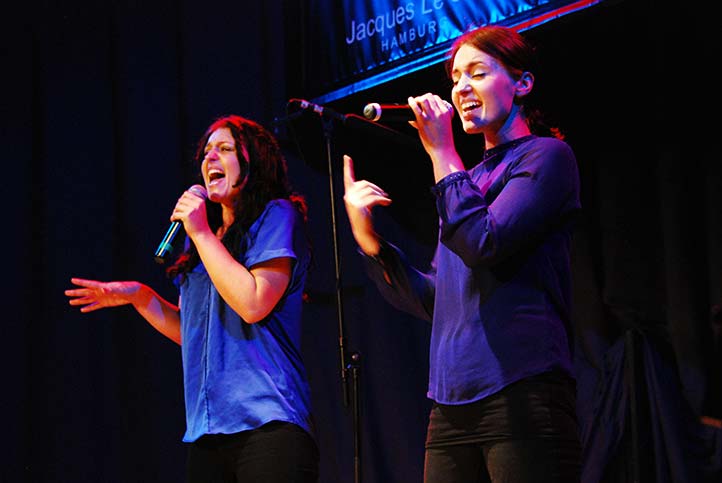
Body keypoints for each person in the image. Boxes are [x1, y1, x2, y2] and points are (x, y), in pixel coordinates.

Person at [342, 25, 582, 482]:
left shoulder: (547, 157)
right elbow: (438, 298)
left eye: (478, 73)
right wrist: (368, 237)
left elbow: (484, 242)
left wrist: (442, 153)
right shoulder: (465, 183)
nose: (462, 88)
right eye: (456, 78)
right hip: (450, 405)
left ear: (522, 83)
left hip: (521, 389)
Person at [65, 114, 319, 483]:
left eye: (225, 149)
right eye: (206, 152)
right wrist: (139, 296)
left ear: (256, 162)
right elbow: (195, 332)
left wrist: (200, 232)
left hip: (269, 423)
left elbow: (253, 304)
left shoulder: (276, 215)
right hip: (208, 432)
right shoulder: (204, 238)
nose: (210, 157)